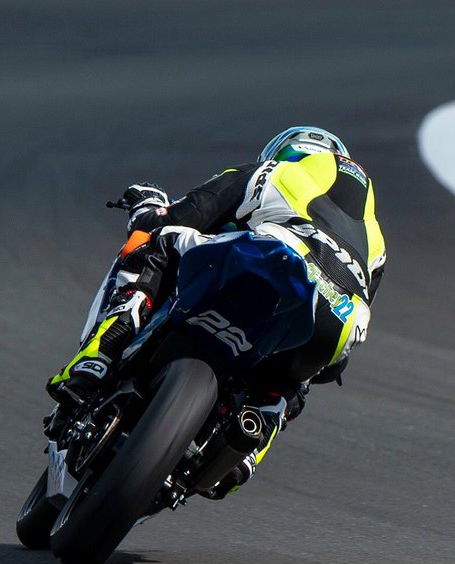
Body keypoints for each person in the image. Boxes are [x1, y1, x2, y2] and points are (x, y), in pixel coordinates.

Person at [46, 126, 386, 498]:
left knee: (155, 241)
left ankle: (98, 355)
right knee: (294, 383)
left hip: (265, 257)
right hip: (335, 320)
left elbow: (182, 215)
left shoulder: (270, 173)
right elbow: (337, 364)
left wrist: (146, 205)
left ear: (284, 153)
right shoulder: (375, 243)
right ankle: (246, 451)